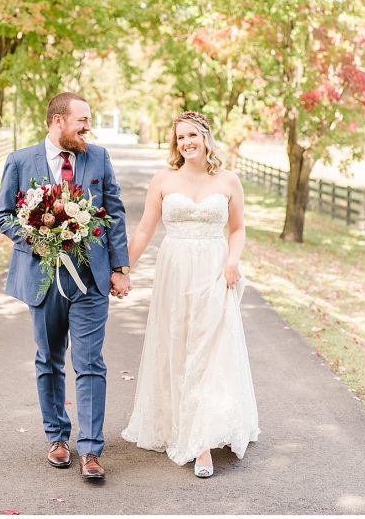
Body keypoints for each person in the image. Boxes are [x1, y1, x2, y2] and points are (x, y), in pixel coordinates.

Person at [0, 92, 130, 481]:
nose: (88, 127)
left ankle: (90, 450)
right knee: (49, 360)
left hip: (90, 279)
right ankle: (57, 438)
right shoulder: (21, 161)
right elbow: (4, 215)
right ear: (57, 121)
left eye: (88, 120)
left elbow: (114, 214)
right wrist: (35, 236)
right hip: (42, 279)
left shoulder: (98, 158)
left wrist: (119, 268)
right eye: (81, 120)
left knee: (89, 362)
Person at [121, 111, 260, 477]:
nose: (187, 143)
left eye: (192, 135)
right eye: (180, 137)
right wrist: (122, 270)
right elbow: (145, 230)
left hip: (215, 269)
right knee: (179, 345)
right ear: (176, 143)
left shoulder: (228, 180)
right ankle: (181, 423)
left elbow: (238, 228)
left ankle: (202, 444)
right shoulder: (164, 179)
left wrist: (233, 260)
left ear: (206, 137)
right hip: (175, 271)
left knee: (210, 349)